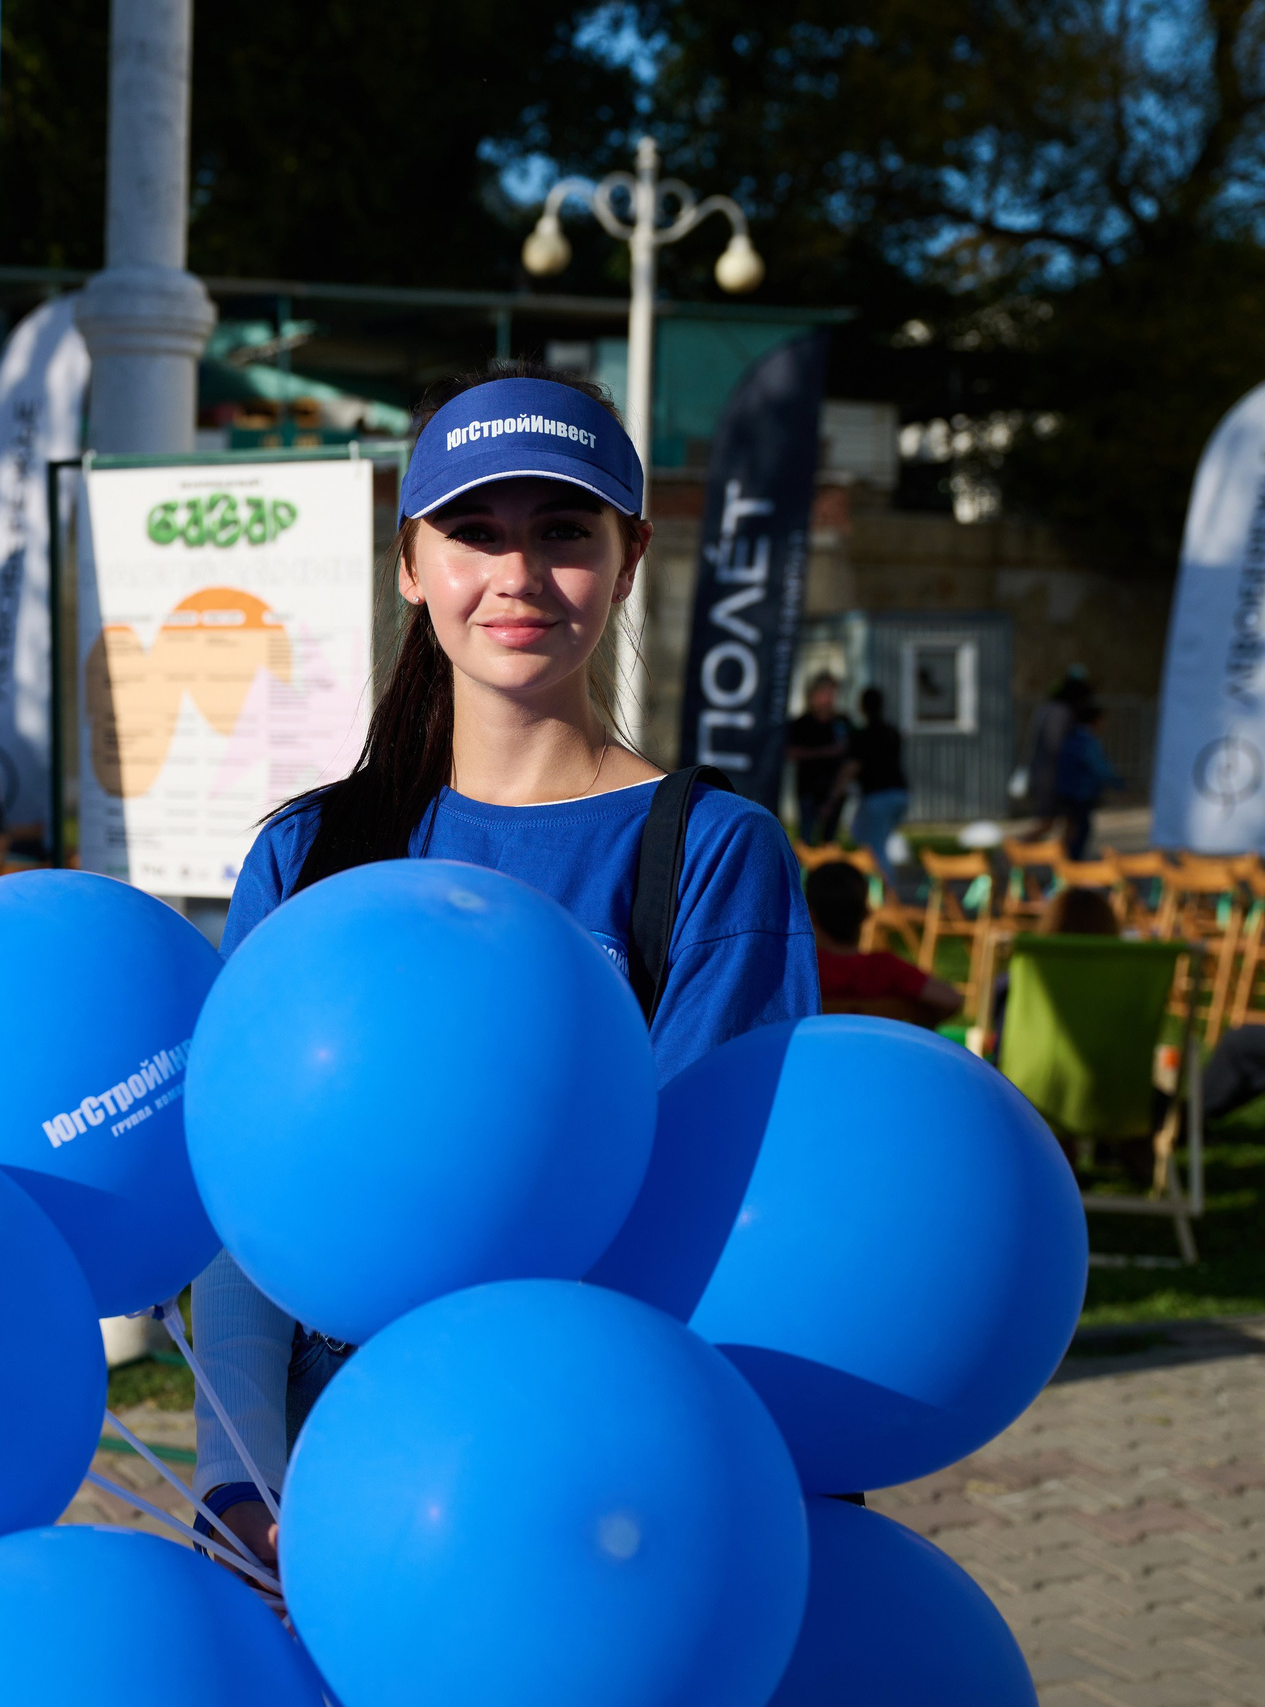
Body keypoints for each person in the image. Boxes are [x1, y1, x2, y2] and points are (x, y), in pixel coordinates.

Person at [190, 364, 817, 1577]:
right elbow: (239, 1212)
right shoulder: (308, 855)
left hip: (575, 1492)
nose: (517, 575)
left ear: (628, 561)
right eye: (473, 532)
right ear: (409, 565)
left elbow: (700, 1230)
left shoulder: (709, 854)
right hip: (325, 1489)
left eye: (563, 532)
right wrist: (236, 1477)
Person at [806, 861, 961, 1024]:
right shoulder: (885, 968)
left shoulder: (801, 970)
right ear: (866, 914)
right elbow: (952, 999)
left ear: (810, 915)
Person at [842, 686, 912, 892]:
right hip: (900, 793)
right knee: (871, 838)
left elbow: (852, 766)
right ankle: (875, 886)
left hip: (878, 796)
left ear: (862, 707)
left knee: (875, 846)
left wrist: (833, 794)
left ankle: (886, 893)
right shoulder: (892, 732)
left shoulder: (864, 735)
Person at [1019, 668, 1092, 836]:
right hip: (1053, 776)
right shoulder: (1061, 712)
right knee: (1049, 822)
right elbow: (1055, 743)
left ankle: (1063, 853)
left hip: (1046, 772)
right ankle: (1013, 848)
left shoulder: (1046, 709)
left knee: (1067, 823)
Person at [783, 673, 850, 845]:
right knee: (806, 839)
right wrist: (824, 752)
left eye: (831, 694)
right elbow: (790, 752)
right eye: (824, 693)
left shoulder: (841, 722)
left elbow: (850, 758)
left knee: (829, 842)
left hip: (833, 791)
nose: (828, 699)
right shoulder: (802, 723)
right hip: (808, 790)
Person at [1051, 700, 1119, 860]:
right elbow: (1099, 768)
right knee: (1080, 829)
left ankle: (1064, 863)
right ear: (1095, 720)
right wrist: (1118, 784)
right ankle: (1072, 865)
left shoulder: (1071, 737)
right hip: (1079, 792)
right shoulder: (1086, 741)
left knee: (1071, 828)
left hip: (1066, 789)